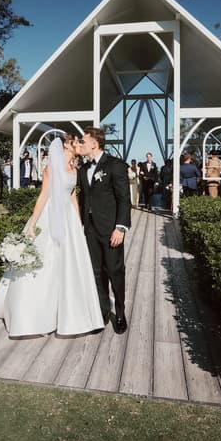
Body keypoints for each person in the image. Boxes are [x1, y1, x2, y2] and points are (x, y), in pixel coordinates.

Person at [0, 135, 104, 337]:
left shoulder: (74, 169)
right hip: (50, 216)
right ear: (67, 146)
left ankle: (71, 313)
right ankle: (34, 316)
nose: (78, 145)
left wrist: (78, 222)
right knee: (46, 263)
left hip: (68, 219)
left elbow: (72, 195)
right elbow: (43, 196)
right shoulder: (51, 168)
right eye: (75, 142)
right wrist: (32, 224)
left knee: (69, 265)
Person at [77, 127, 131, 334]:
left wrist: (121, 228)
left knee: (115, 271)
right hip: (89, 229)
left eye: (83, 141)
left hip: (111, 229)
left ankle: (120, 312)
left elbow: (124, 199)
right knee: (96, 272)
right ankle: (101, 312)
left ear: (94, 143)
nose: (80, 144)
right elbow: (83, 198)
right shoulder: (82, 169)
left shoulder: (115, 165)